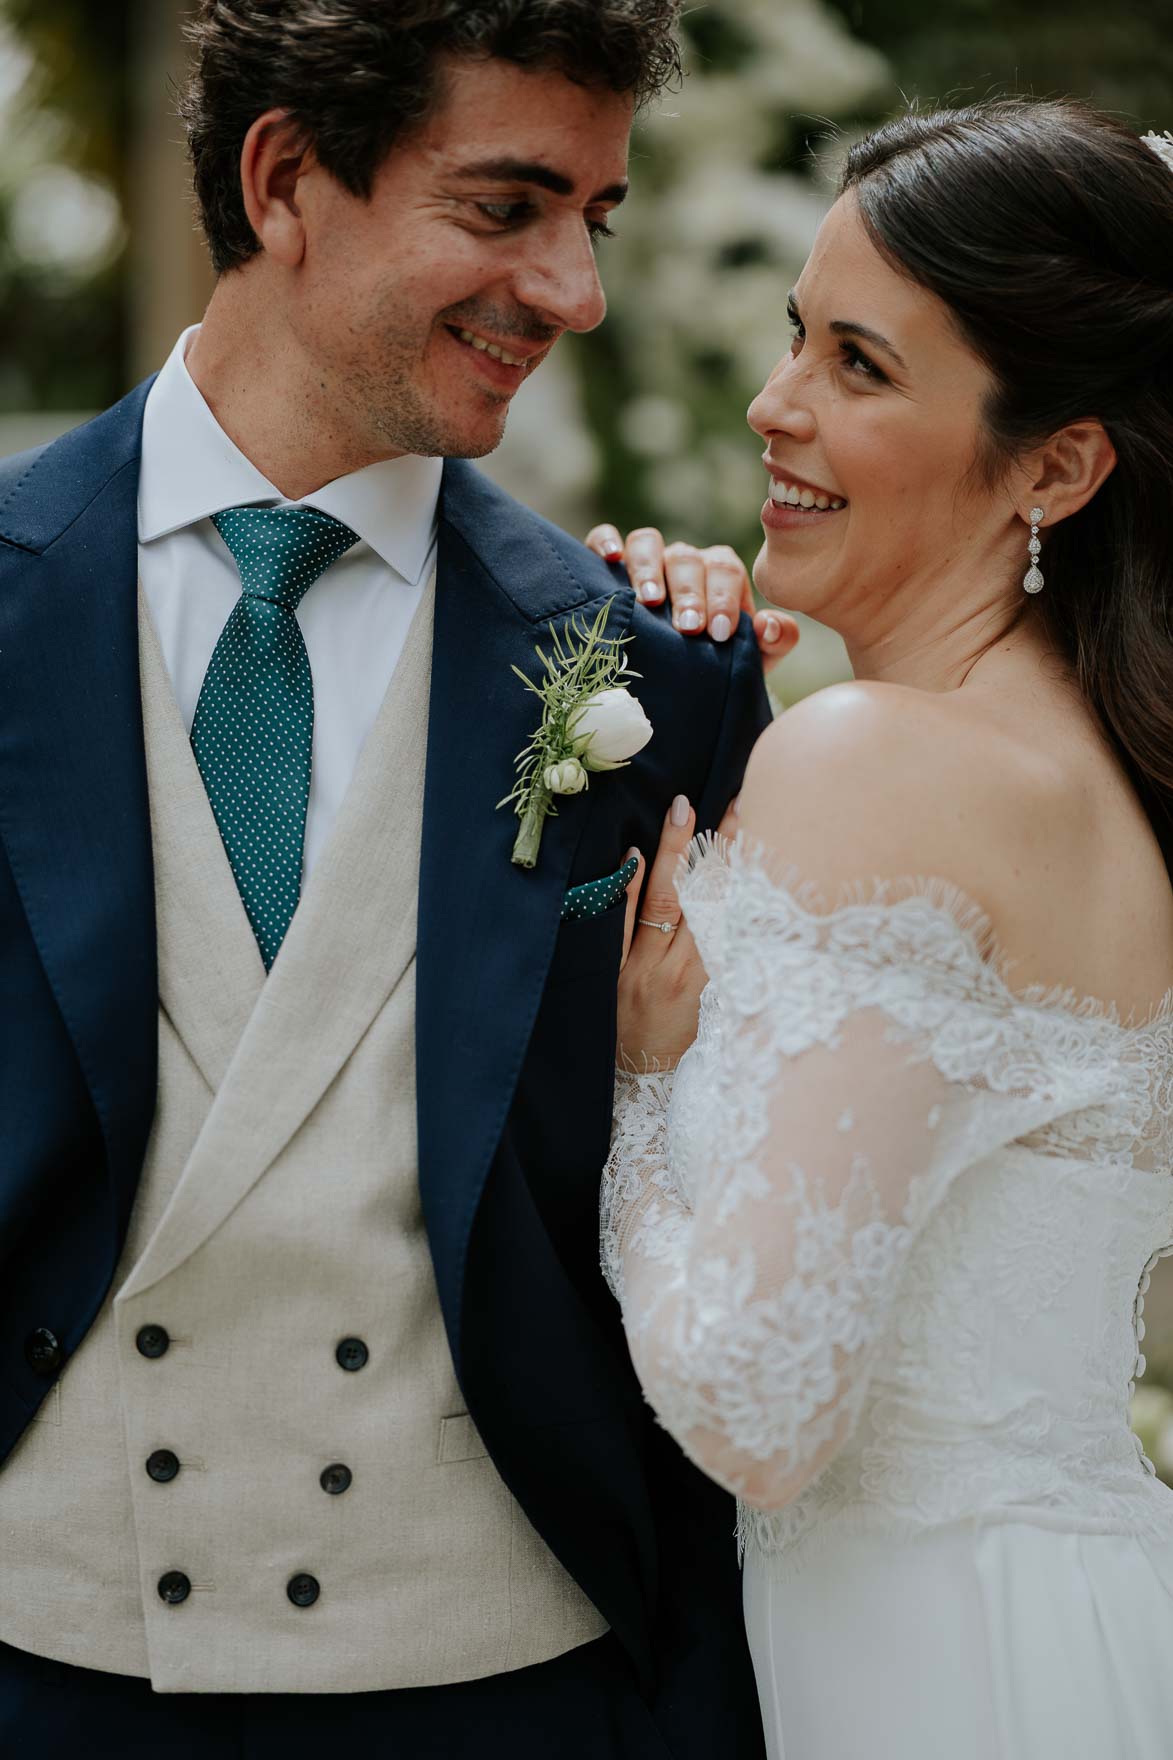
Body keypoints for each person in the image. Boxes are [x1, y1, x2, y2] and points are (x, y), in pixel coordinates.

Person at [0, 3, 789, 1754]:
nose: (573, 289)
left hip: (511, 1677)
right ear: (286, 178)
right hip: (41, 1660)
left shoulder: (659, 674)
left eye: (597, 216)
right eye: (508, 207)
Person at [600, 97, 1173, 1759]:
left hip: (932, 1669)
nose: (774, 402)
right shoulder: (1094, 772)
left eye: (860, 366)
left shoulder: (882, 762)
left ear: (1057, 464)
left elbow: (759, 1406)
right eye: (795, 338)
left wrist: (646, 1086)